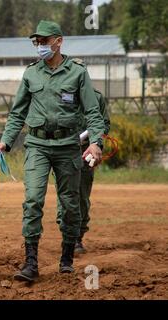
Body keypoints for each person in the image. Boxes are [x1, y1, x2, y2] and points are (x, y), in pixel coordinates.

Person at [0, 21, 105, 282]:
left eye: (45, 41)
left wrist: (96, 142)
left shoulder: (77, 72)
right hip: (38, 146)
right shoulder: (31, 73)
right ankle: (30, 262)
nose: (40, 46)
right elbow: (17, 112)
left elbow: (93, 112)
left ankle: (67, 256)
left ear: (59, 41)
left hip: (68, 146)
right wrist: (6, 141)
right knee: (32, 200)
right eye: (37, 42)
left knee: (70, 204)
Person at [56, 88, 111, 254]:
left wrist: (94, 142)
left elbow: (104, 124)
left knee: (82, 195)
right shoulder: (60, 92)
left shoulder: (96, 96)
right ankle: (67, 235)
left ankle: (78, 236)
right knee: (65, 194)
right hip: (63, 151)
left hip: (86, 152)